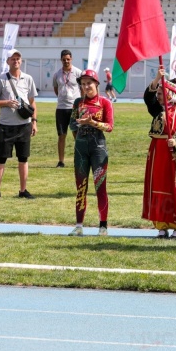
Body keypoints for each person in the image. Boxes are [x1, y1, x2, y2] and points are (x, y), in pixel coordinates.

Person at [141, 67, 176, 240]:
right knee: (159, 186)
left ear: (171, 93)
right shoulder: (157, 109)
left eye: (162, 92)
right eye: (158, 92)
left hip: (175, 156)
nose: (158, 95)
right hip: (158, 154)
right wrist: (157, 78)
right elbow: (147, 97)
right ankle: (161, 226)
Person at [0, 49, 37, 200]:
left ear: (21, 61)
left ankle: (23, 190)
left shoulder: (28, 79)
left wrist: (34, 122)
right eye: (12, 59)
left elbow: (32, 102)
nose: (16, 61)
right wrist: (7, 103)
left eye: (18, 59)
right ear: (8, 62)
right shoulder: (1, 79)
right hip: (6, 126)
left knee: (23, 158)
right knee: (1, 158)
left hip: (24, 125)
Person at [68, 69, 113, 236]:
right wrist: (80, 124)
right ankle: (79, 225)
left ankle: (103, 226)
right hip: (81, 148)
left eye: (89, 83)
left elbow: (109, 127)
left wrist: (93, 122)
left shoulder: (105, 102)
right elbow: (72, 125)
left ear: (96, 84)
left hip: (98, 149)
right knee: (81, 187)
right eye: (83, 84)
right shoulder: (78, 103)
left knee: (100, 187)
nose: (86, 86)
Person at [52, 49, 82, 168]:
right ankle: (61, 161)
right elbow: (56, 90)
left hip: (74, 108)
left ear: (71, 59)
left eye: (68, 59)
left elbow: (83, 89)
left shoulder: (78, 73)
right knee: (61, 135)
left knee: (77, 134)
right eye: (64, 59)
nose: (66, 61)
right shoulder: (57, 74)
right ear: (61, 60)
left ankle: (80, 159)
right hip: (61, 108)